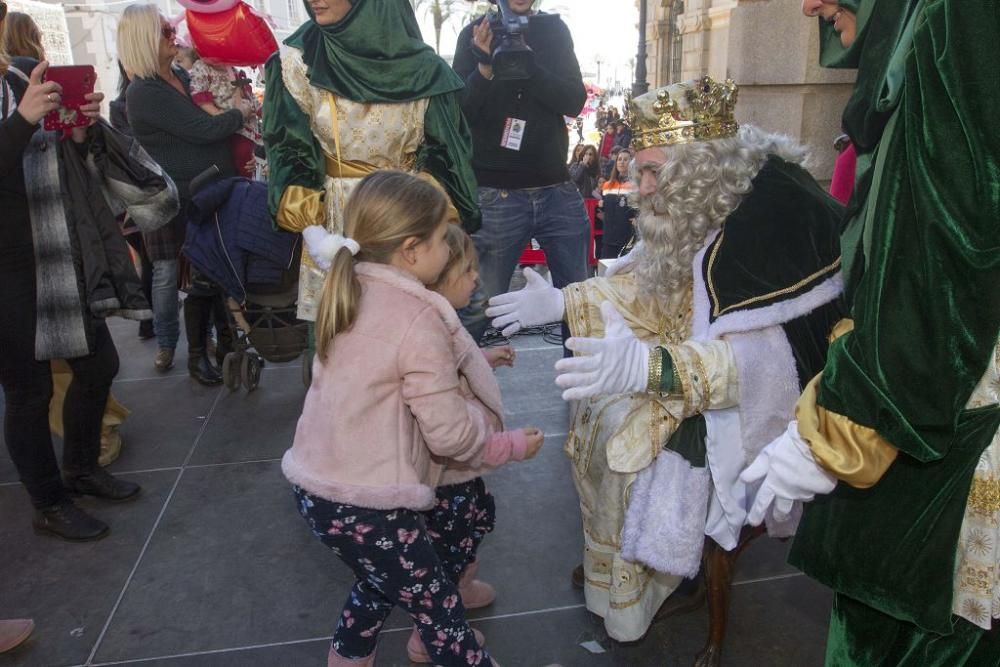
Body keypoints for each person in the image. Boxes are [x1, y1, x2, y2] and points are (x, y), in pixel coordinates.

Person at [486, 76, 845, 642]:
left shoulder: (767, 228)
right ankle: (620, 575)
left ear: (697, 167)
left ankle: (648, 580)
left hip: (748, 410)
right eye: (639, 168)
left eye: (653, 172)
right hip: (684, 357)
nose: (638, 187)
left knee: (628, 441)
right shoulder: (697, 203)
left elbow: (757, 369)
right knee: (599, 410)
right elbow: (649, 290)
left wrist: (643, 369)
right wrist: (562, 298)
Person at [741, 1, 1000, 664]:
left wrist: (844, 422)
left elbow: (942, 253)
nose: (811, 6)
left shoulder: (957, 17)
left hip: (940, 423)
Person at [284, 171, 541, 667]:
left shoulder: (349, 288)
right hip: (370, 501)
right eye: (444, 238)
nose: (451, 248)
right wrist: (498, 442)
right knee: (442, 617)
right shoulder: (418, 315)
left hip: (319, 489)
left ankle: (349, 657)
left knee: (381, 580)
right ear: (411, 250)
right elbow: (447, 433)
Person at [263, 0, 480, 330]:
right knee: (341, 336)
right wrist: (314, 232)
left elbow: (445, 156)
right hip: (337, 224)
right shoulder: (296, 62)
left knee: (407, 334)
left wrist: (428, 222)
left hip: (407, 226)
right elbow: (290, 150)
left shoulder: (426, 70)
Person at [1, 47, 145, 542]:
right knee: (29, 391)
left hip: (57, 251)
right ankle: (48, 503)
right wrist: (22, 121)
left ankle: (80, 468)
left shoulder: (19, 76)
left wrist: (77, 129)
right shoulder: (17, 96)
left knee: (98, 364)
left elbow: (62, 163)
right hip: (7, 267)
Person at [118, 3, 251, 383]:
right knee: (204, 279)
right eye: (164, 31)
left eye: (170, 29)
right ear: (144, 39)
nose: (173, 35)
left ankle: (224, 346)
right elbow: (205, 129)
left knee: (218, 274)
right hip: (190, 199)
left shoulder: (177, 75)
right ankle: (197, 355)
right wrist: (241, 112)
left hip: (214, 190)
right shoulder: (144, 91)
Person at [452, 0, 589, 342]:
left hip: (556, 188)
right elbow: (458, 113)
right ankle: (455, 392)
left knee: (581, 307)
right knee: (476, 310)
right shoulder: (476, 31)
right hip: (495, 195)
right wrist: (484, 66)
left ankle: (585, 394)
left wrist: (527, 64)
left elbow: (573, 100)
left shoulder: (553, 30)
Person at [183, 47, 261, 178]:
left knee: (245, 157)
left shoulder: (231, 69)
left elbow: (248, 95)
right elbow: (199, 95)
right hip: (223, 125)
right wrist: (218, 115)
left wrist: (259, 109)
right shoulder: (202, 67)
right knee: (237, 158)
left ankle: (244, 184)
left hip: (241, 126)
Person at [597, 148, 635, 259]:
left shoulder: (635, 185)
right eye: (619, 159)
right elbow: (604, 209)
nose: (622, 162)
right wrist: (602, 205)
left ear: (631, 162)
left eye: (625, 159)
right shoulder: (607, 185)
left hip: (627, 238)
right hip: (608, 237)